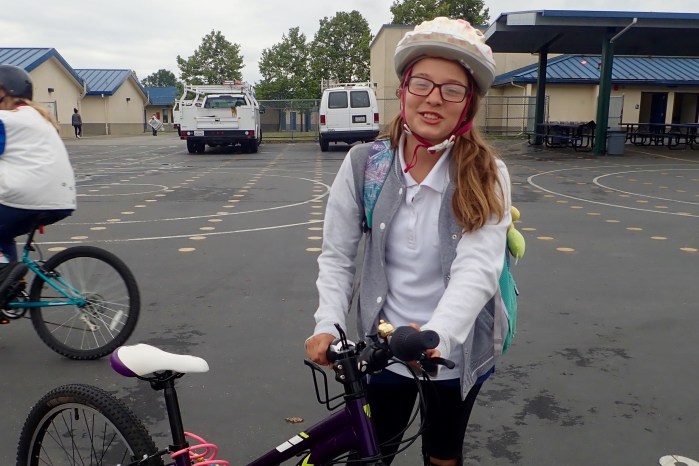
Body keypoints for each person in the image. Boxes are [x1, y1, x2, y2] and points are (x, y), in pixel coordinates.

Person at [304, 17, 512, 466]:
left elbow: (478, 266)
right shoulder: (365, 164)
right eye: (423, 83)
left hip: (453, 348)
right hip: (382, 348)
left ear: (468, 103)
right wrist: (328, 324)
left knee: (443, 455)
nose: (434, 98)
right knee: (372, 454)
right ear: (403, 90)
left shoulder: (487, 173)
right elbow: (338, 256)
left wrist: (439, 334)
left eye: (452, 89)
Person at [0, 65, 76, 314]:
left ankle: (6, 281)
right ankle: (10, 285)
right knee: (3, 232)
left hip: (27, 197)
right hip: (61, 199)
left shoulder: (6, 119)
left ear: (6, 92)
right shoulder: (39, 118)